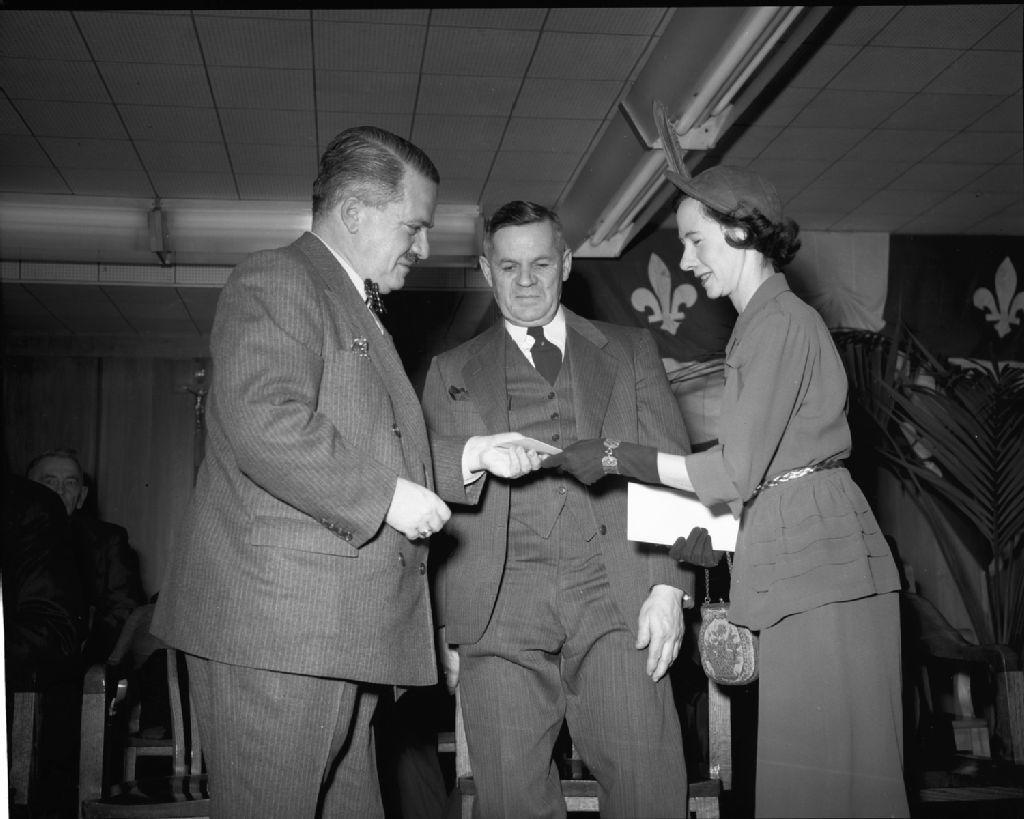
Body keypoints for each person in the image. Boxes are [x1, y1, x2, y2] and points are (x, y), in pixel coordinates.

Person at [151, 126, 539, 819]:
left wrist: (471, 455)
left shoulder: (350, 302)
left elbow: (366, 443)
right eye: (413, 226)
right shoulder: (279, 278)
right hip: (282, 633)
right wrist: (387, 497)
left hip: (331, 634)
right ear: (355, 213)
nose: (423, 247)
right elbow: (265, 421)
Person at [547, 165, 910, 818]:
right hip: (808, 555)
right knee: (822, 776)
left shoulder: (776, 323)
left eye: (696, 240)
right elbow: (762, 473)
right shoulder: (765, 322)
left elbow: (737, 472)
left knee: (828, 781)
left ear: (740, 231)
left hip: (819, 569)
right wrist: (706, 538)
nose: (686, 261)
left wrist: (617, 455)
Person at [422, 200, 697, 818]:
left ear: (567, 264)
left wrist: (667, 589)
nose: (525, 281)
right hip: (497, 605)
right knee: (509, 798)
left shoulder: (630, 351)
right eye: (508, 267)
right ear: (486, 270)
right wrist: (446, 625)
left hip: (617, 592)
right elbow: (434, 493)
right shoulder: (449, 370)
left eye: (541, 264)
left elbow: (673, 469)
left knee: (649, 784)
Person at [27, 448, 146, 665]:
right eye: (49, 482)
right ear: (26, 491)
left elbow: (124, 609)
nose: (60, 491)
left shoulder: (107, 540)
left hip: (82, 664)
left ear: (81, 497)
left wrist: (87, 661)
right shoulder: (10, 538)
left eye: (70, 483)